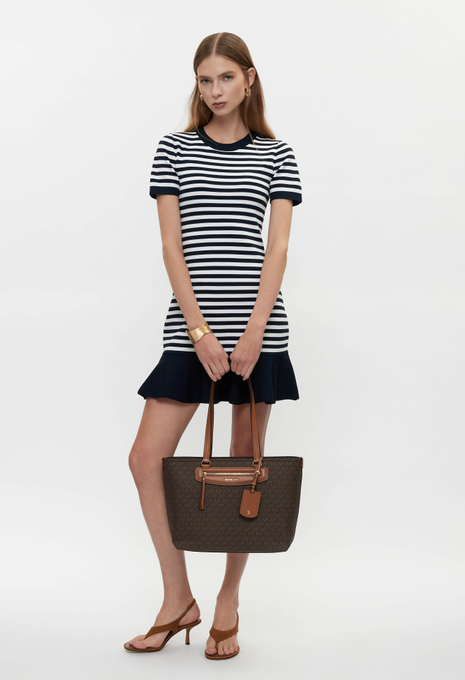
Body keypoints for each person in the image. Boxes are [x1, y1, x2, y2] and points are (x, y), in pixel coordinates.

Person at [124, 31, 303, 660]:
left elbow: (277, 249)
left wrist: (253, 333)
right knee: (146, 459)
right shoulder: (173, 150)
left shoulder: (278, 154)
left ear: (249, 78)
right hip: (190, 332)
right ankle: (179, 598)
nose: (216, 90)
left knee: (244, 465)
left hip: (260, 332)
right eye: (205, 80)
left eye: (227, 77)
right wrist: (199, 332)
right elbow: (171, 248)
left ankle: (227, 598)